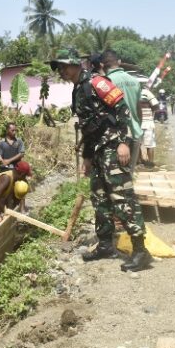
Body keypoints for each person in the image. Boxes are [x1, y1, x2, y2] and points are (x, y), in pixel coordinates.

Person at [51, 48, 152, 272]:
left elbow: (122, 109)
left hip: (113, 147)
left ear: (76, 64)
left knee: (122, 198)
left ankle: (141, 251)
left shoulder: (98, 82)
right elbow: (88, 128)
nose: (63, 70)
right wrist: (87, 157)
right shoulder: (78, 90)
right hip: (97, 151)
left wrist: (123, 142)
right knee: (99, 199)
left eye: (65, 65)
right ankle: (105, 244)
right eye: (60, 67)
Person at [139, 87, 160, 168]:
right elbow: (155, 105)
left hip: (145, 122)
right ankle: (142, 162)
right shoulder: (146, 92)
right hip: (143, 122)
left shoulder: (145, 92)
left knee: (145, 144)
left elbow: (156, 105)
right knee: (143, 144)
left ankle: (148, 163)